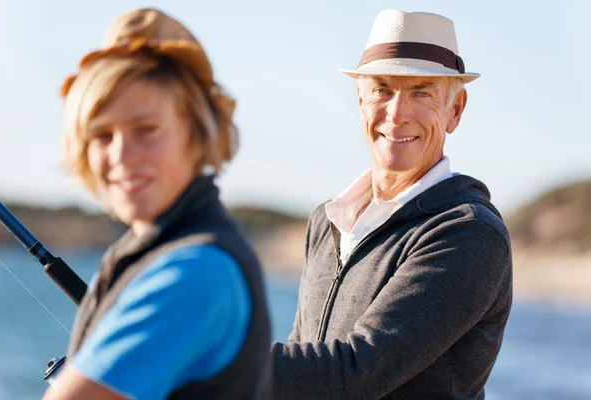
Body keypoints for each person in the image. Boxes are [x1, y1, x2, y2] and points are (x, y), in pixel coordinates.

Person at [271, 9, 512, 400]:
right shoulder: (327, 220)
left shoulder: (468, 233)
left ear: (456, 110)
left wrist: (212, 363)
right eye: (382, 89)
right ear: (361, 99)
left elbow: (357, 371)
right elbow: (302, 356)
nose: (397, 114)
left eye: (422, 92)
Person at [43, 8, 272, 400]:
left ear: (197, 134)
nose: (121, 154)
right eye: (101, 135)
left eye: (146, 130)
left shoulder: (197, 271)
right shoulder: (154, 250)